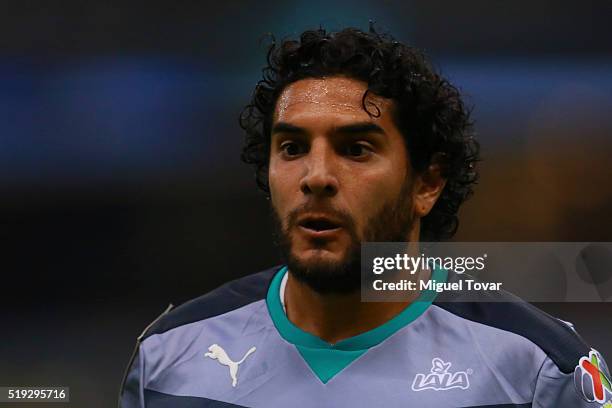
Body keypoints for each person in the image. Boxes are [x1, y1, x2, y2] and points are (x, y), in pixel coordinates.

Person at [119, 26, 611, 407]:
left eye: (355, 149)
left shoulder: (538, 369)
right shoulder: (170, 357)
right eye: (291, 148)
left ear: (427, 183)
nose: (316, 176)